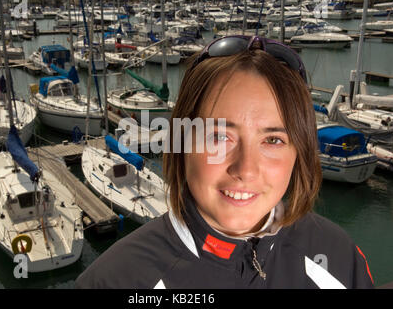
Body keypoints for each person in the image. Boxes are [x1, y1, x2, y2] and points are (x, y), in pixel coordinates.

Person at [75, 36, 374, 289]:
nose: (245, 169)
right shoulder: (116, 281)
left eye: (273, 140)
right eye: (218, 137)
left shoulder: (339, 257)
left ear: (300, 152)